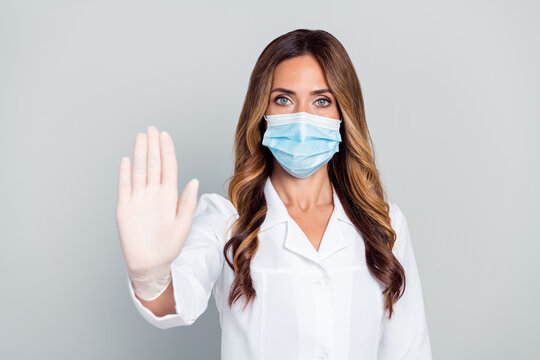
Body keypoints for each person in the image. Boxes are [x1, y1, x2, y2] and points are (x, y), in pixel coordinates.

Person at [115, 28, 432, 360]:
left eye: (321, 101)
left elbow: (409, 350)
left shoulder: (384, 224)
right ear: (261, 114)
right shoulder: (226, 220)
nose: (302, 118)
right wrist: (150, 276)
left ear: (343, 114)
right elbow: (175, 303)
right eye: (283, 99)